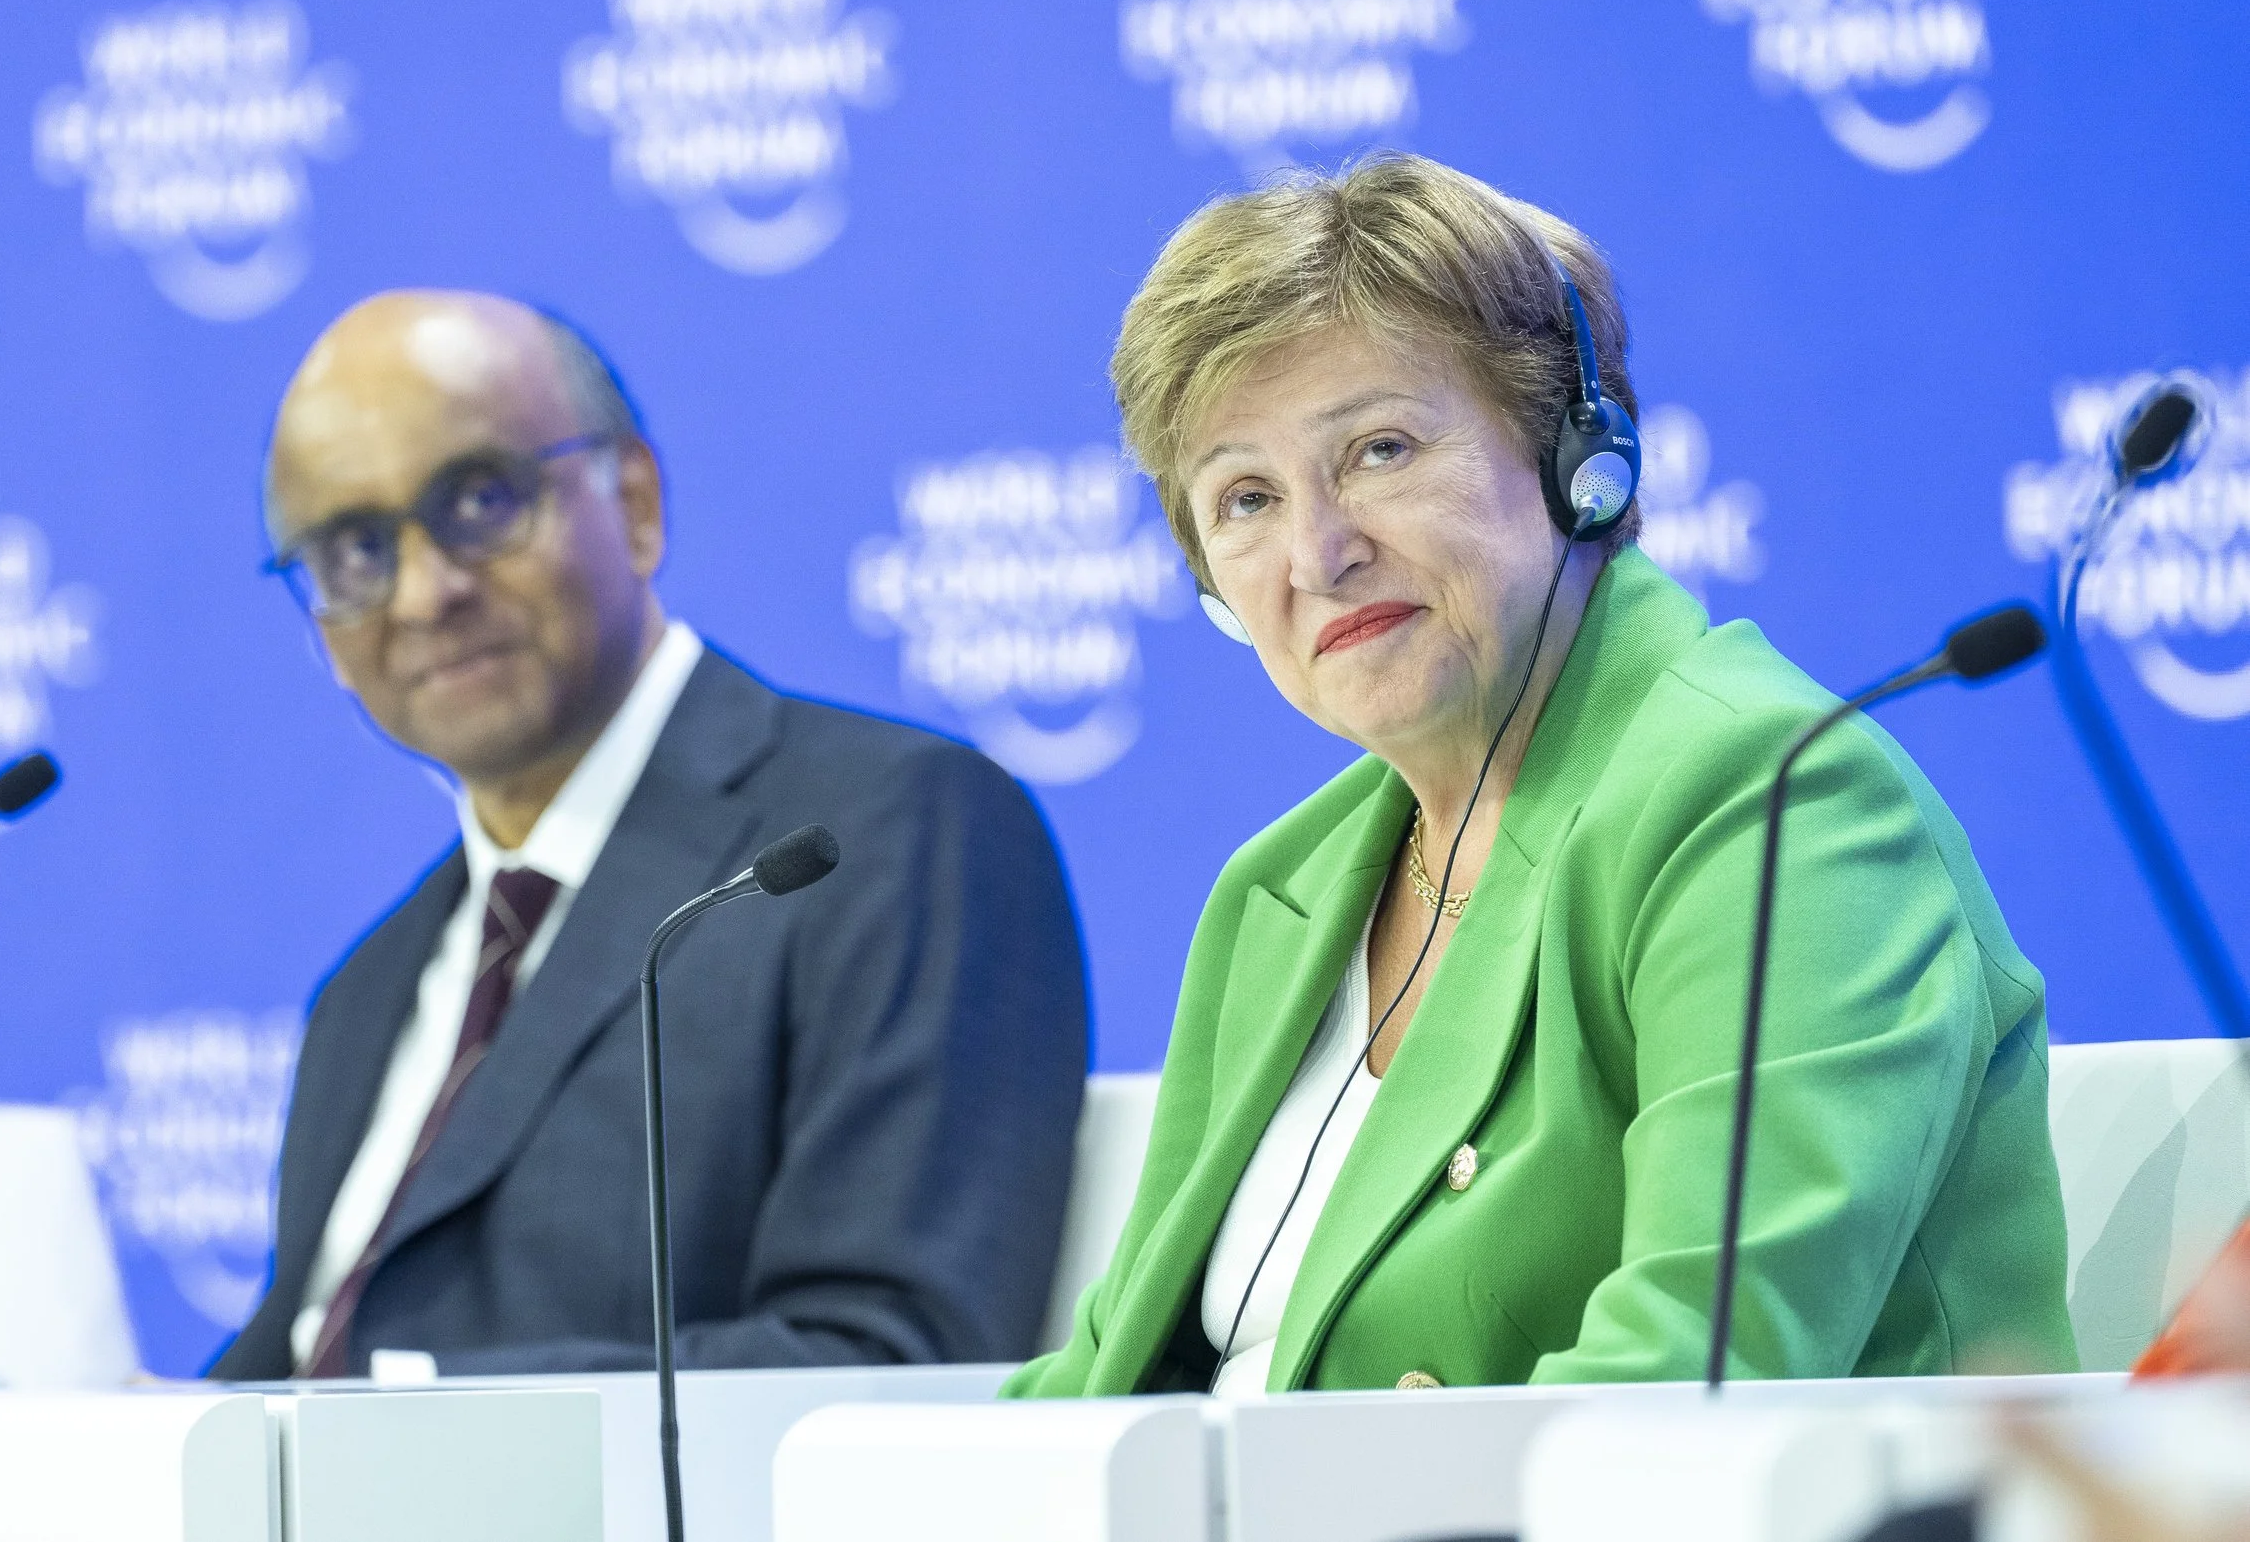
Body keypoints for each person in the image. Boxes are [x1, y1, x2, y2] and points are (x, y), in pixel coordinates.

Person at [1009, 154, 2076, 1397]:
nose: (1319, 551)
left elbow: (1692, 1373)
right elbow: (1097, 1383)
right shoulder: (1279, 894)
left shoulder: (1771, 803)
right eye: (1243, 498)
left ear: (1575, 452)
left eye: (1378, 450)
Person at [211, 290, 1090, 1380]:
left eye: (479, 500)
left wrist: (397, 1433)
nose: (426, 591)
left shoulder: (883, 836)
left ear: (633, 502)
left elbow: (894, 1360)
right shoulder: (367, 991)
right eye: (352, 552)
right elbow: (285, 1373)